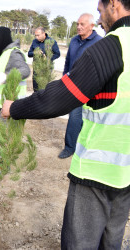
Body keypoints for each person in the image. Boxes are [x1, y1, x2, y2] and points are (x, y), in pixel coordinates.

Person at [1, 0, 130, 248]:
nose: (99, 17)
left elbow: (57, 100)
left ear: (114, 4)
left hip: (96, 174)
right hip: (125, 174)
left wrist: (14, 108)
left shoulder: (111, 48)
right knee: (111, 241)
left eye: (101, 10)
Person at [58, 13, 102, 159]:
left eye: (82, 24)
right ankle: (70, 147)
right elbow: (68, 61)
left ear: (92, 26)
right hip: (73, 87)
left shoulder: (99, 42)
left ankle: (83, 147)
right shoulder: (74, 41)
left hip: (90, 87)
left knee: (86, 118)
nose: (78, 27)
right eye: (77, 24)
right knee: (74, 116)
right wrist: (64, 78)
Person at [0, 27, 30, 120]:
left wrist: (5, 76)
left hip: (4, 109)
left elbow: (25, 70)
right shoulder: (0, 54)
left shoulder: (13, 53)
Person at [28, 27, 60, 91]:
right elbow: (29, 54)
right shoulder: (34, 42)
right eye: (35, 35)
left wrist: (48, 59)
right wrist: (35, 52)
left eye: (38, 35)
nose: (36, 37)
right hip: (36, 70)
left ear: (43, 34)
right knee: (36, 90)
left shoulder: (51, 42)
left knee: (44, 90)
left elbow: (57, 54)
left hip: (46, 70)